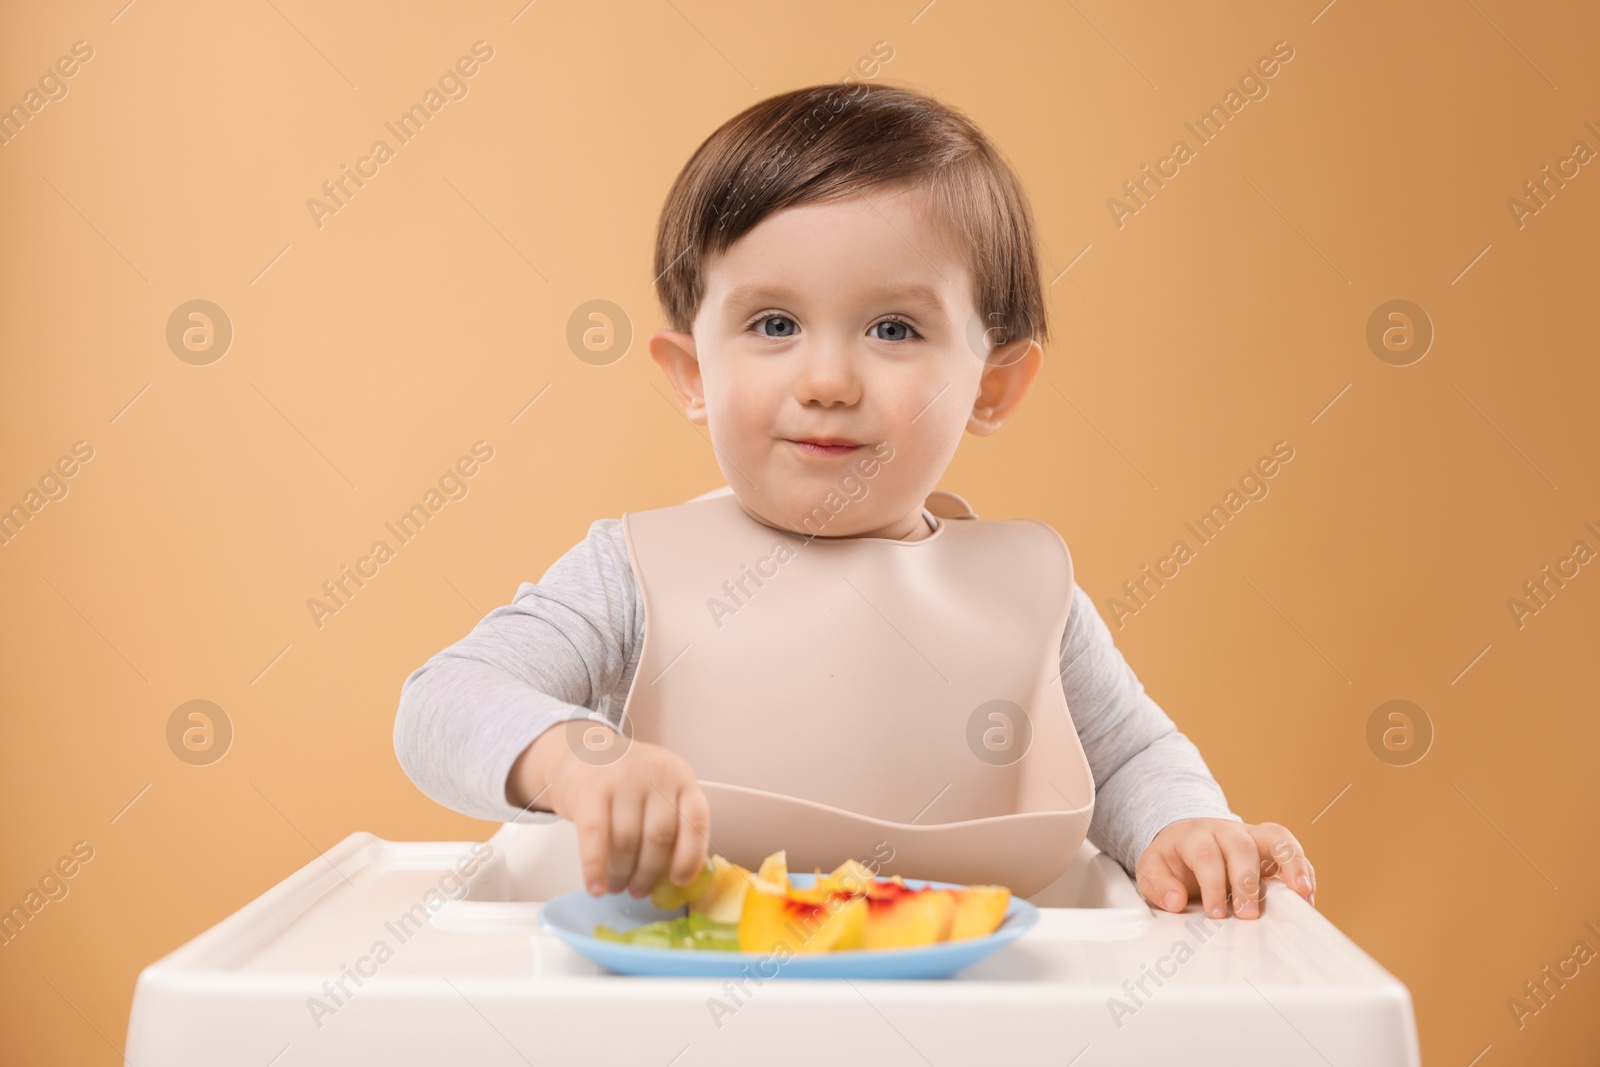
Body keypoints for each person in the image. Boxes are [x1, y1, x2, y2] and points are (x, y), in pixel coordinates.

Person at [394, 82, 1316, 922]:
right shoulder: (633, 574)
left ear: (994, 385)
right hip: (672, 1003)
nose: (828, 378)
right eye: (774, 324)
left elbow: (1128, 759)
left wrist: (1187, 827)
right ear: (691, 374)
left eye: (893, 327)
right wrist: (576, 761)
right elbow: (442, 701)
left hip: (963, 1006)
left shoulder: (1027, 597)